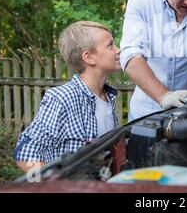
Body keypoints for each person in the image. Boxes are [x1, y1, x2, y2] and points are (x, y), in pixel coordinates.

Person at [13, 21, 121, 172]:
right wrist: (58, 186)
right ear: (89, 57)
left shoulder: (108, 97)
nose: (118, 50)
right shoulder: (63, 98)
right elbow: (25, 156)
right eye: (110, 45)